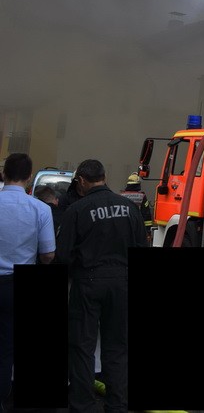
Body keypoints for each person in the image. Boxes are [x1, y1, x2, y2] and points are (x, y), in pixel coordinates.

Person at [55, 159, 146, 413]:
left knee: (82, 346)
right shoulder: (131, 208)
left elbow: (63, 255)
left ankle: (82, 405)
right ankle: (117, 404)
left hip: (88, 282)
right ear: (104, 177)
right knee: (117, 346)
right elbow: (141, 248)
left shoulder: (77, 209)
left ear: (82, 181)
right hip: (123, 283)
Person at [0, 153, 55, 412]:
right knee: (14, 344)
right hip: (19, 281)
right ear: (29, 177)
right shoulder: (40, 209)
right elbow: (48, 254)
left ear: (3, 174)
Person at [120, 174, 153, 245]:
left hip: (123, 227)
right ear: (138, 184)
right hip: (137, 227)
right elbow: (146, 215)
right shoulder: (142, 196)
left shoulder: (121, 195)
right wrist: (148, 231)